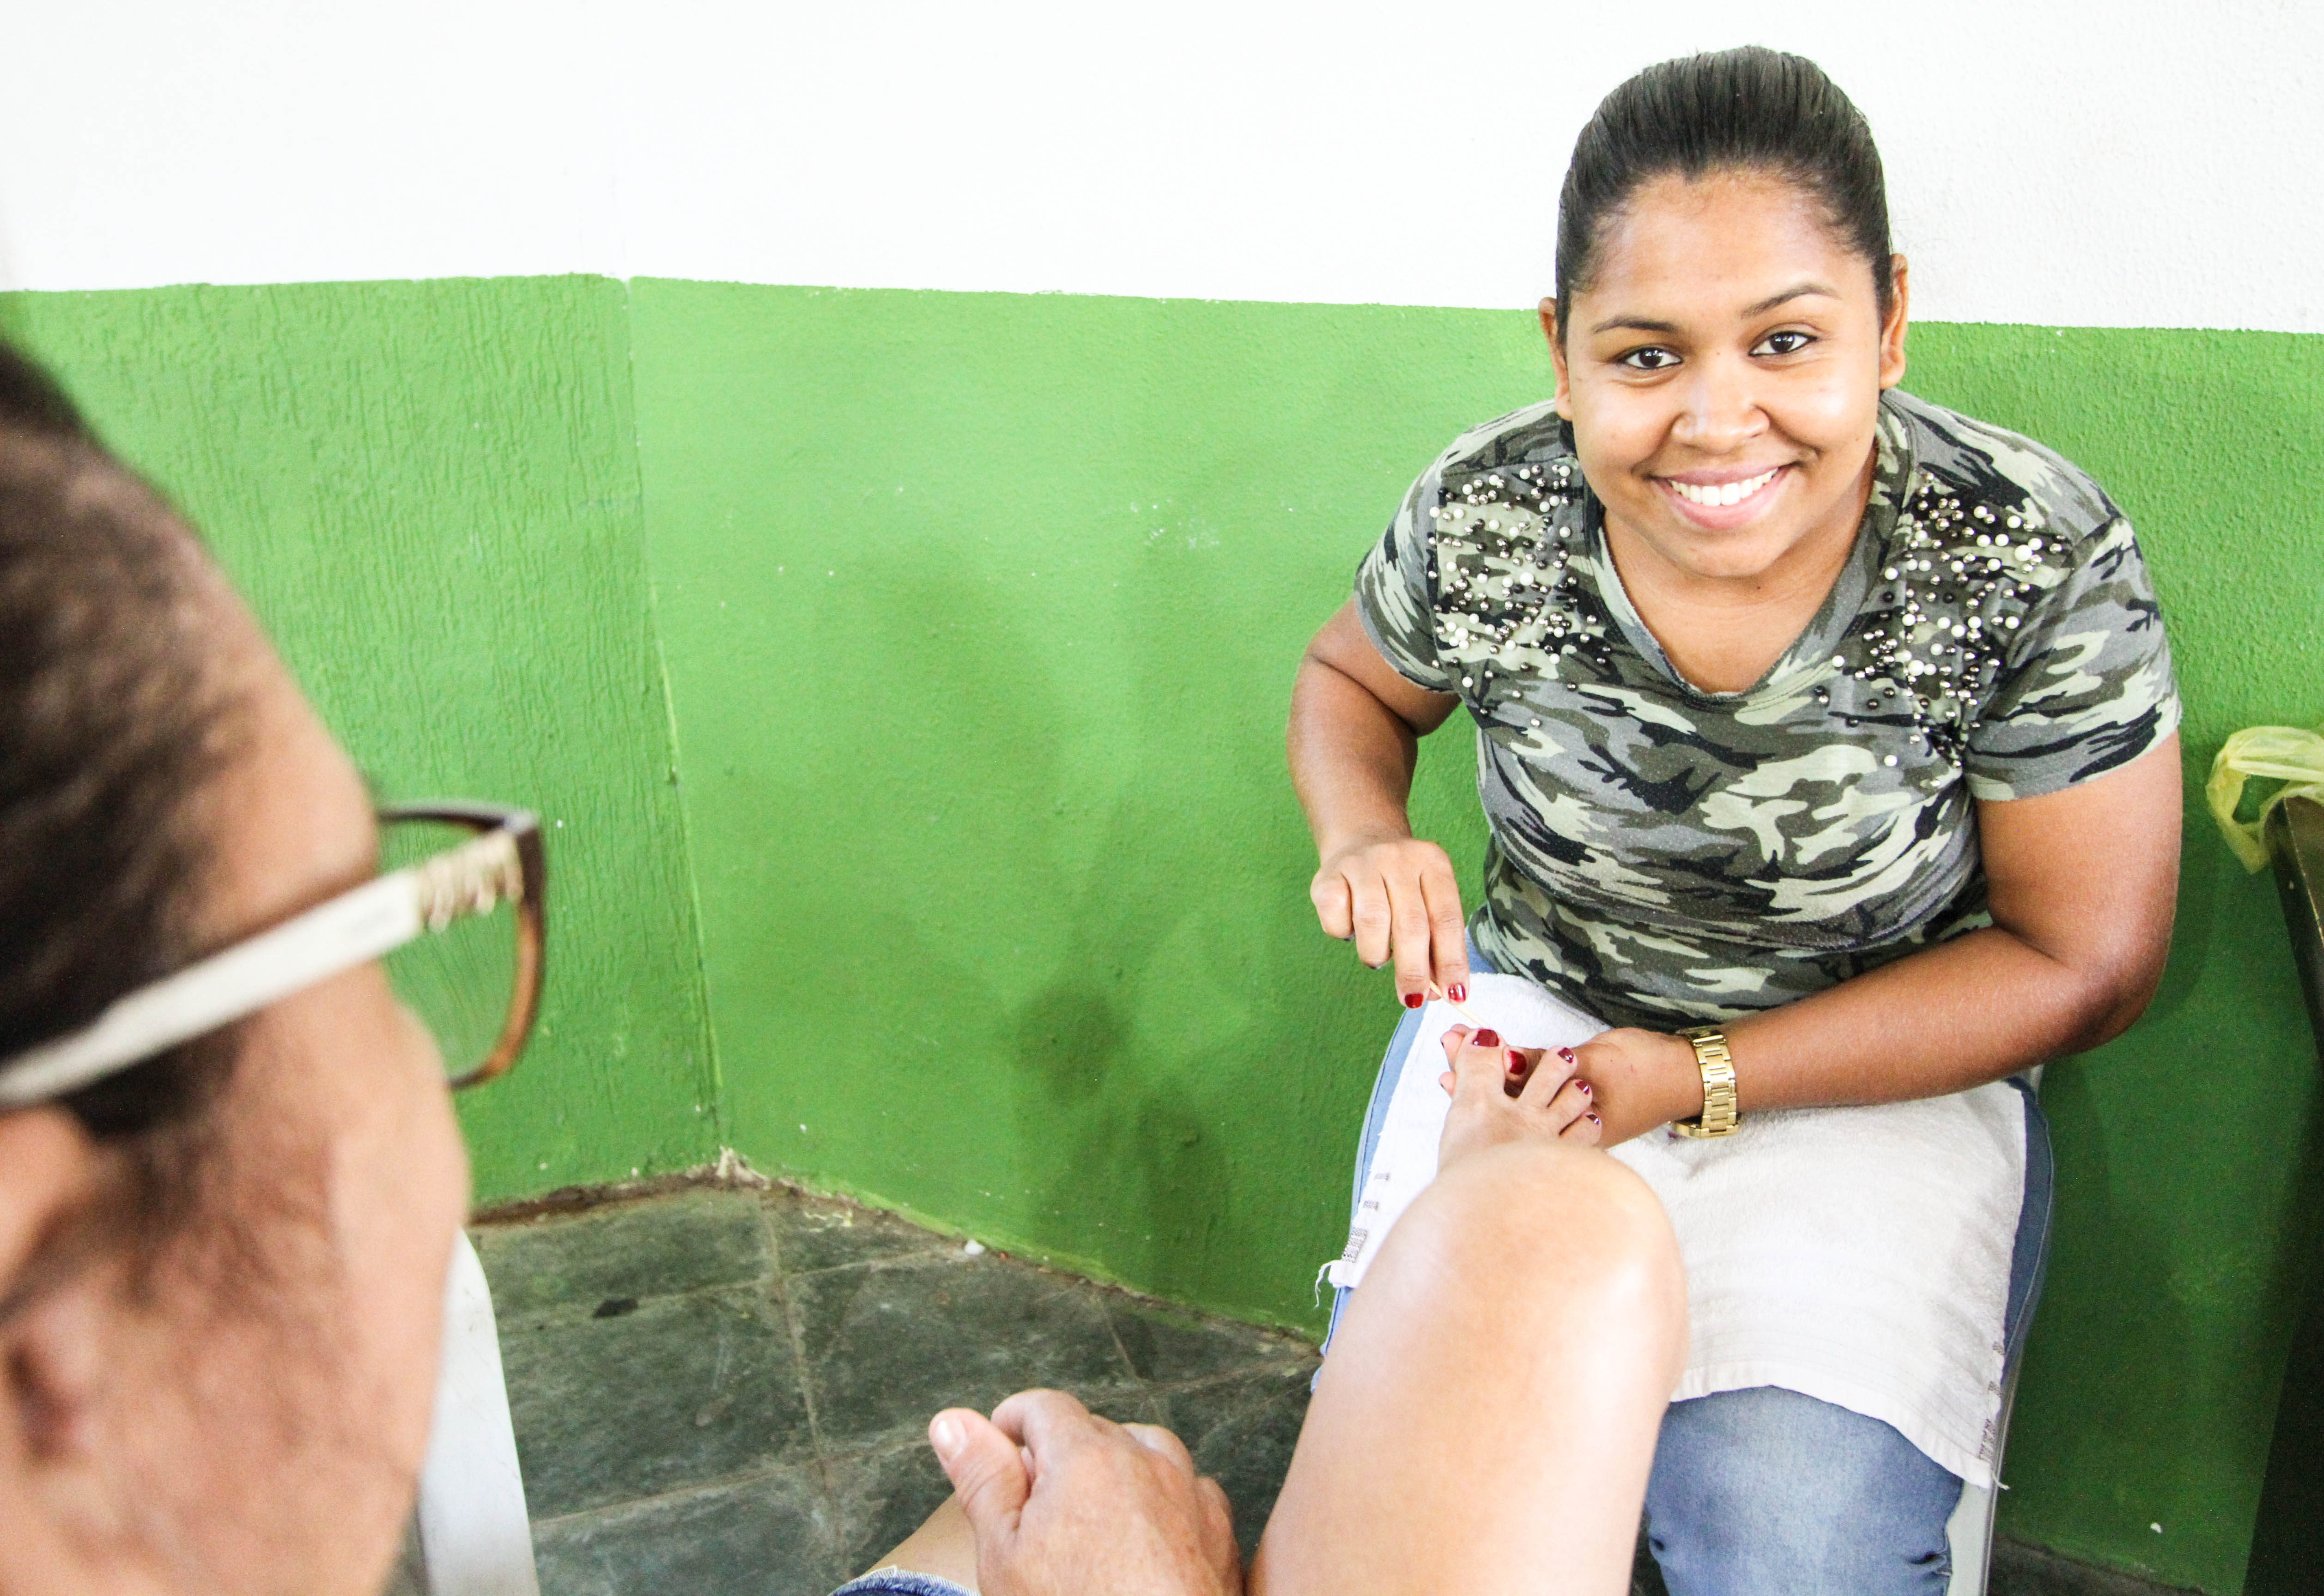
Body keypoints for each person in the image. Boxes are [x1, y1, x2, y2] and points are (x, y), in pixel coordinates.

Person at [0, 340, 1684, 1596]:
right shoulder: (1485, 510)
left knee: (1038, 1478)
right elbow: (1352, 683)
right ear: (50, 1338)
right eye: (366, 947)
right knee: (1553, 1249)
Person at [1286, 47, 2181, 1594]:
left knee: (1785, 1549)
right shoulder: (1493, 511)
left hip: (1876, 1071)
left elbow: (2085, 964)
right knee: (1415, 1510)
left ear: (1888, 324)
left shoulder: (2020, 553)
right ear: (1562, 348)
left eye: (1785, 341)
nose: (1717, 420)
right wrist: (1362, 831)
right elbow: (1348, 682)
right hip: (1542, 1038)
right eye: (1645, 356)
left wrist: (1698, 1075)